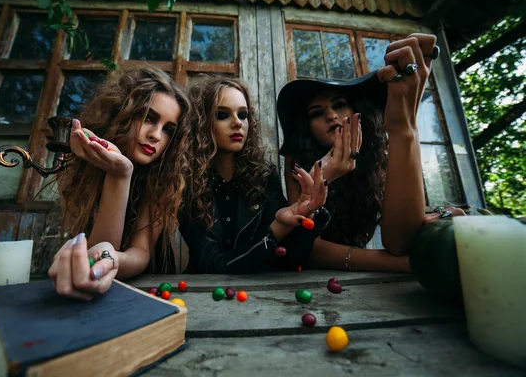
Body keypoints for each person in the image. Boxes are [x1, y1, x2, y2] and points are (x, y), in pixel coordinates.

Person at [277, 33, 465, 273]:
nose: (331, 115)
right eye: (317, 113)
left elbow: (399, 241)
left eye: (339, 105)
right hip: (303, 276)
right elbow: (308, 247)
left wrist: (405, 126)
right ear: (308, 128)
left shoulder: (377, 157)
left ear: (358, 112)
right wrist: (403, 264)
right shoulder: (299, 162)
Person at [48, 66, 193, 300]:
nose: (156, 135)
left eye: (168, 129)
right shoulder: (80, 169)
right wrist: (119, 174)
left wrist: (112, 257)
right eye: (148, 118)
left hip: (146, 291)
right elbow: (90, 253)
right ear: (121, 114)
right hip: (82, 288)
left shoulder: (161, 178)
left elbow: (141, 253)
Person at [179, 75, 328, 274]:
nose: (237, 123)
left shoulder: (264, 176)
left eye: (243, 115)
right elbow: (212, 264)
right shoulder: (187, 182)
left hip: (261, 294)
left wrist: (308, 214)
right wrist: (276, 230)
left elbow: (290, 257)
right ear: (201, 122)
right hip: (202, 294)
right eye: (222, 115)